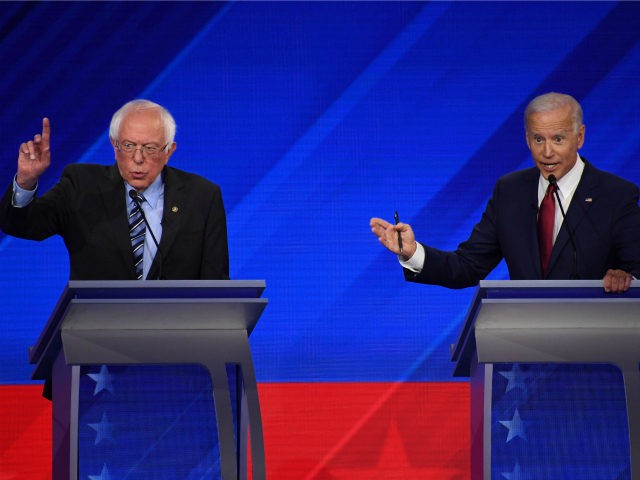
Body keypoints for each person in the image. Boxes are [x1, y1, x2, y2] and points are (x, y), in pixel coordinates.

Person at [371, 92, 640, 294]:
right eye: (538, 139)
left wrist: (626, 277)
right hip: (527, 352)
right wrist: (412, 252)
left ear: (579, 137)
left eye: (558, 139)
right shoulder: (510, 192)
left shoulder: (616, 195)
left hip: (598, 351)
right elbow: (468, 267)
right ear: (527, 139)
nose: (547, 152)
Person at [0, 99, 229, 281]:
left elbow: (217, 285)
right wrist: (25, 181)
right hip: (95, 334)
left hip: (178, 334)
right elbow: (23, 226)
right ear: (114, 144)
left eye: (150, 148)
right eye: (128, 146)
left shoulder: (202, 197)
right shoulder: (81, 186)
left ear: (169, 151)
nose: (138, 158)